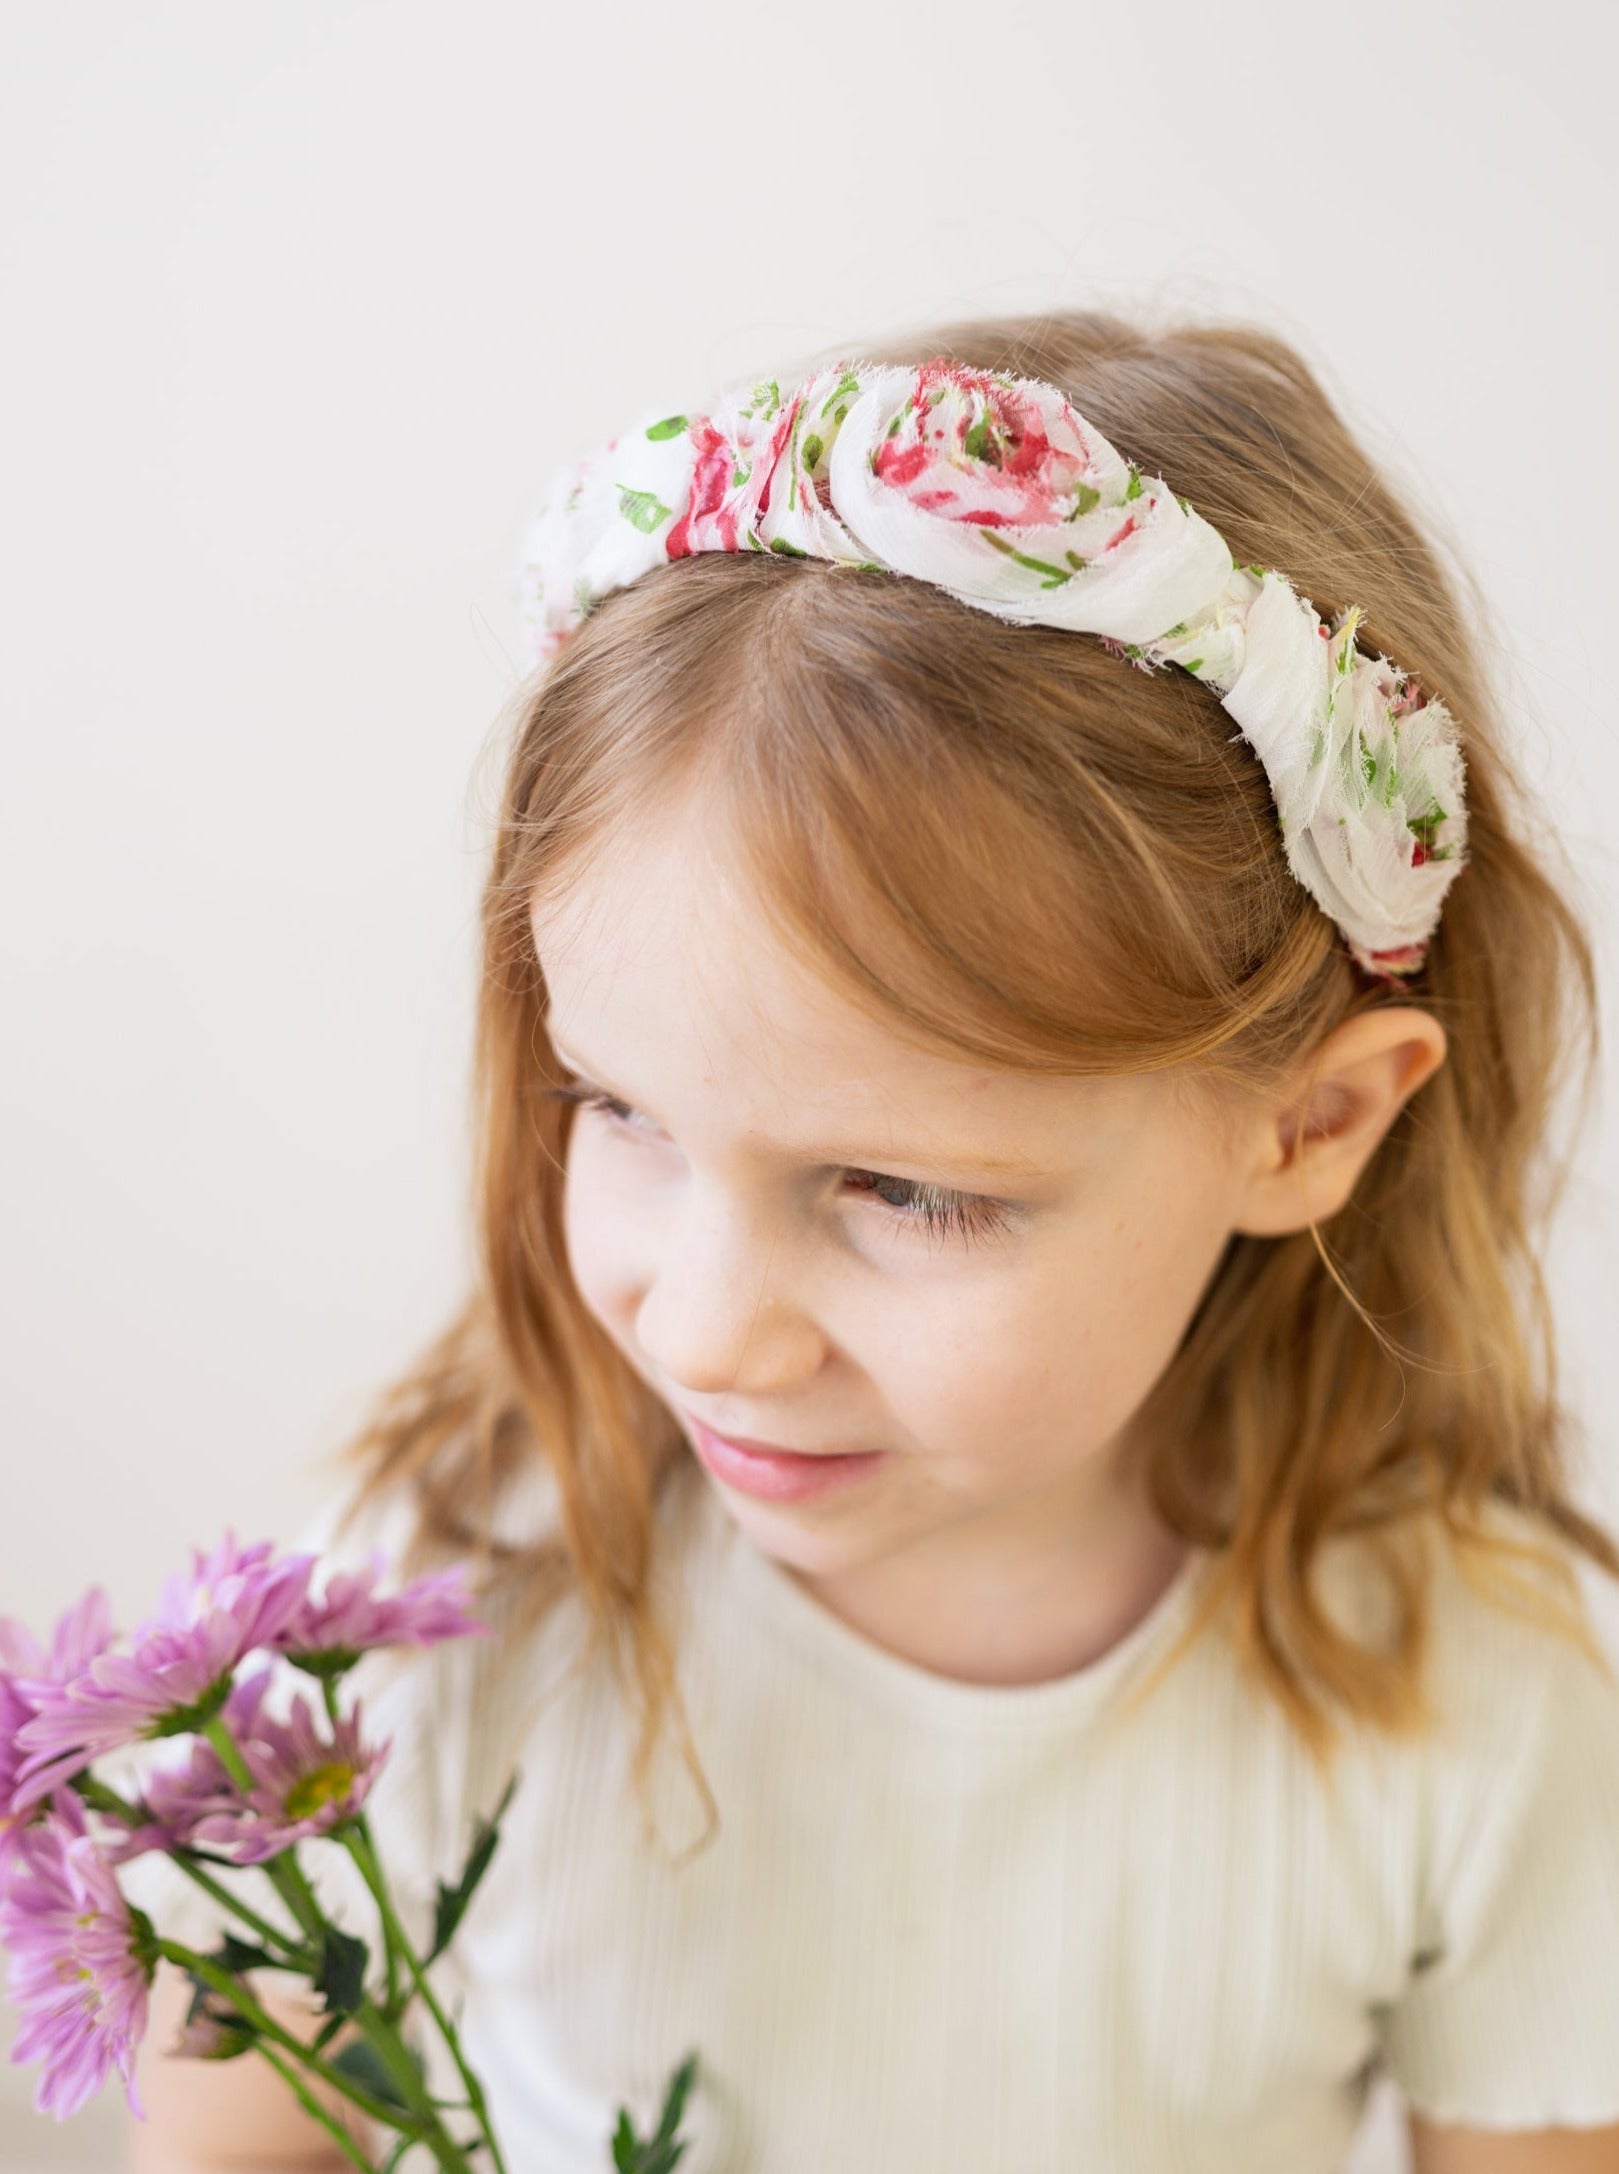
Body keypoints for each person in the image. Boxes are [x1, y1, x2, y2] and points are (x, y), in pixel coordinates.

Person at [123, 310, 1619, 2173]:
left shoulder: (1483, 1697)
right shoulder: (425, 1615)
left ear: (1309, 1122)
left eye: (906, 1191)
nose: (718, 1331)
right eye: (622, 1115)